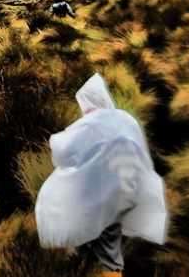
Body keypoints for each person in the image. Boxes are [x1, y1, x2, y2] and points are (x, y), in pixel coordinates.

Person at [35, 74, 168, 277]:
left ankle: (84, 265)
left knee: (96, 236)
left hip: (101, 195)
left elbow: (62, 150)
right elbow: (140, 150)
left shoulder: (89, 123)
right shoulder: (126, 119)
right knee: (111, 239)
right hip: (129, 190)